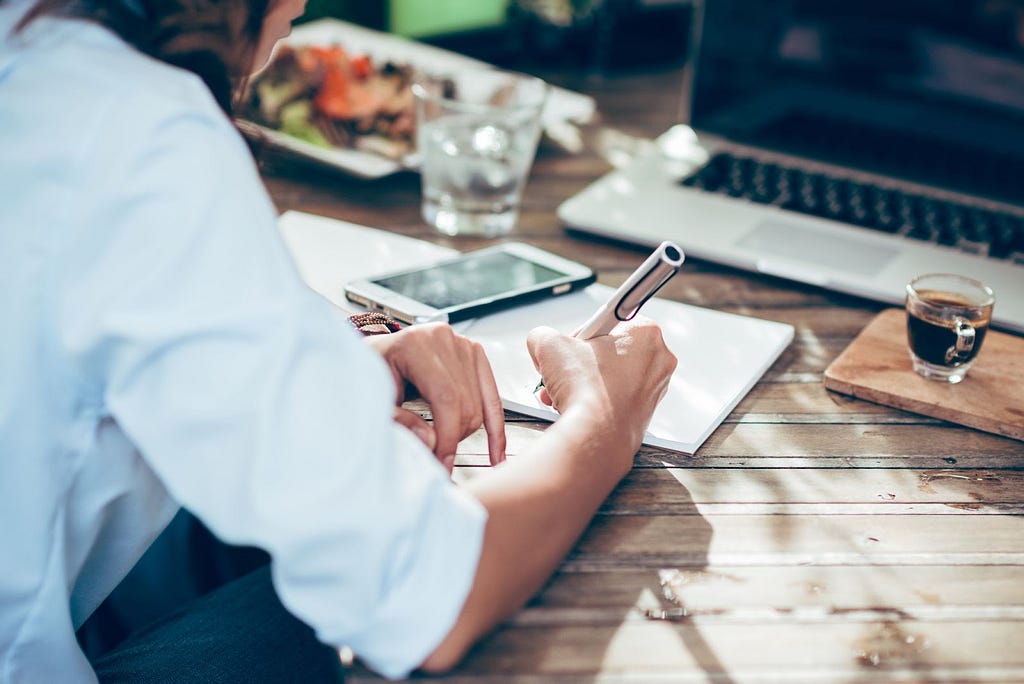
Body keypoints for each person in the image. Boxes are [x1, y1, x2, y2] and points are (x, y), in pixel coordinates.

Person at [0, 0, 677, 681]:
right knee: (308, 619)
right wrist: (606, 421)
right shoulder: (139, 128)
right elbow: (423, 596)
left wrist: (333, 362)